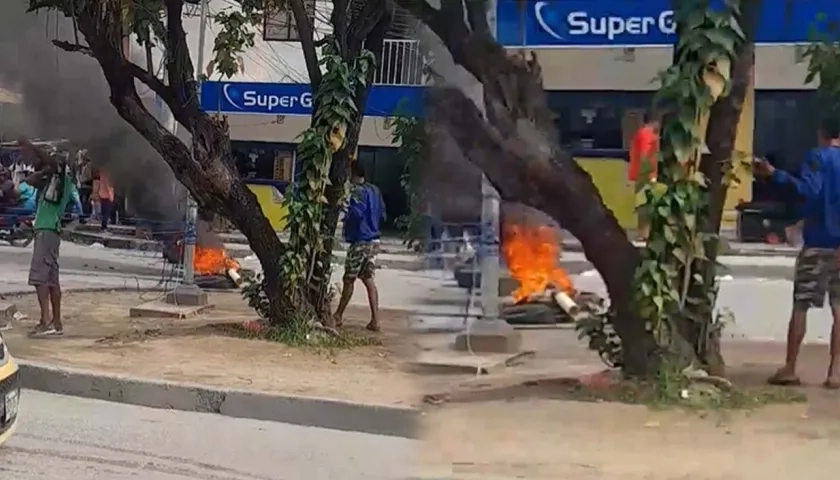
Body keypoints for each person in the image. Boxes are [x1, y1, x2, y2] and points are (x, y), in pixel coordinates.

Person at [755, 118, 840, 389]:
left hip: (818, 243)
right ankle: (835, 372)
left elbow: (809, 190)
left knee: (801, 304)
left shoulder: (817, 157)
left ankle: (790, 367)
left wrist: (774, 174)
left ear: (822, 133)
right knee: (839, 307)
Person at [18, 137, 77, 338]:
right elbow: (30, 180)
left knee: (40, 278)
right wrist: (42, 171)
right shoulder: (52, 180)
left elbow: (52, 164)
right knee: (51, 280)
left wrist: (31, 147)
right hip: (49, 231)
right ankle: (55, 322)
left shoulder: (62, 177)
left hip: (47, 231)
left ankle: (45, 321)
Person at [333, 162, 386, 331]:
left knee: (349, 279)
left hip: (360, 241)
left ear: (353, 173)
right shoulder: (375, 190)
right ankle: (375, 320)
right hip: (374, 240)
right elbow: (383, 213)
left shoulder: (357, 191)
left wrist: (344, 211)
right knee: (368, 279)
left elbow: (356, 214)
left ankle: (338, 315)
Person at [628, 112, 660, 241]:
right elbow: (646, 155)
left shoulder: (642, 133)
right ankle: (645, 233)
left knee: (645, 204)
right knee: (646, 205)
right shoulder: (647, 134)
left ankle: (644, 232)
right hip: (645, 174)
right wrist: (651, 175)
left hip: (642, 173)